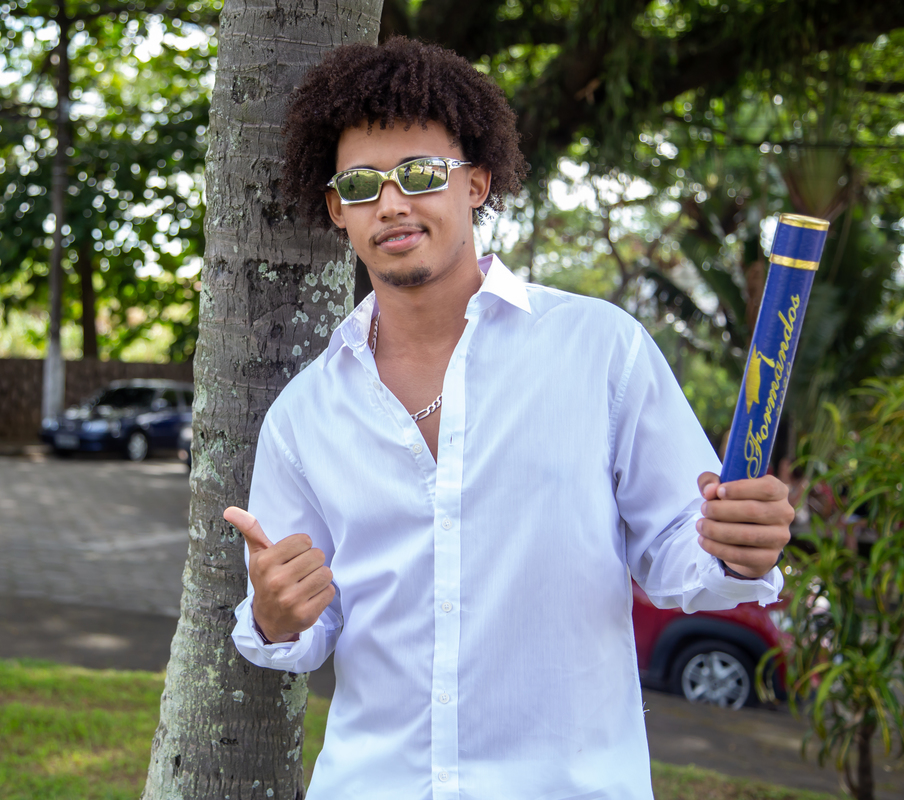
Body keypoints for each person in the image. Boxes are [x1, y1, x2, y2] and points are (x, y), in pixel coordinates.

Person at [225, 37, 793, 799]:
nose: (391, 202)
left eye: (421, 174)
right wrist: (275, 614)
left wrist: (736, 548)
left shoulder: (602, 352)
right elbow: (302, 631)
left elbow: (677, 550)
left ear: (478, 183)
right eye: (361, 184)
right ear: (337, 209)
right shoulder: (303, 416)